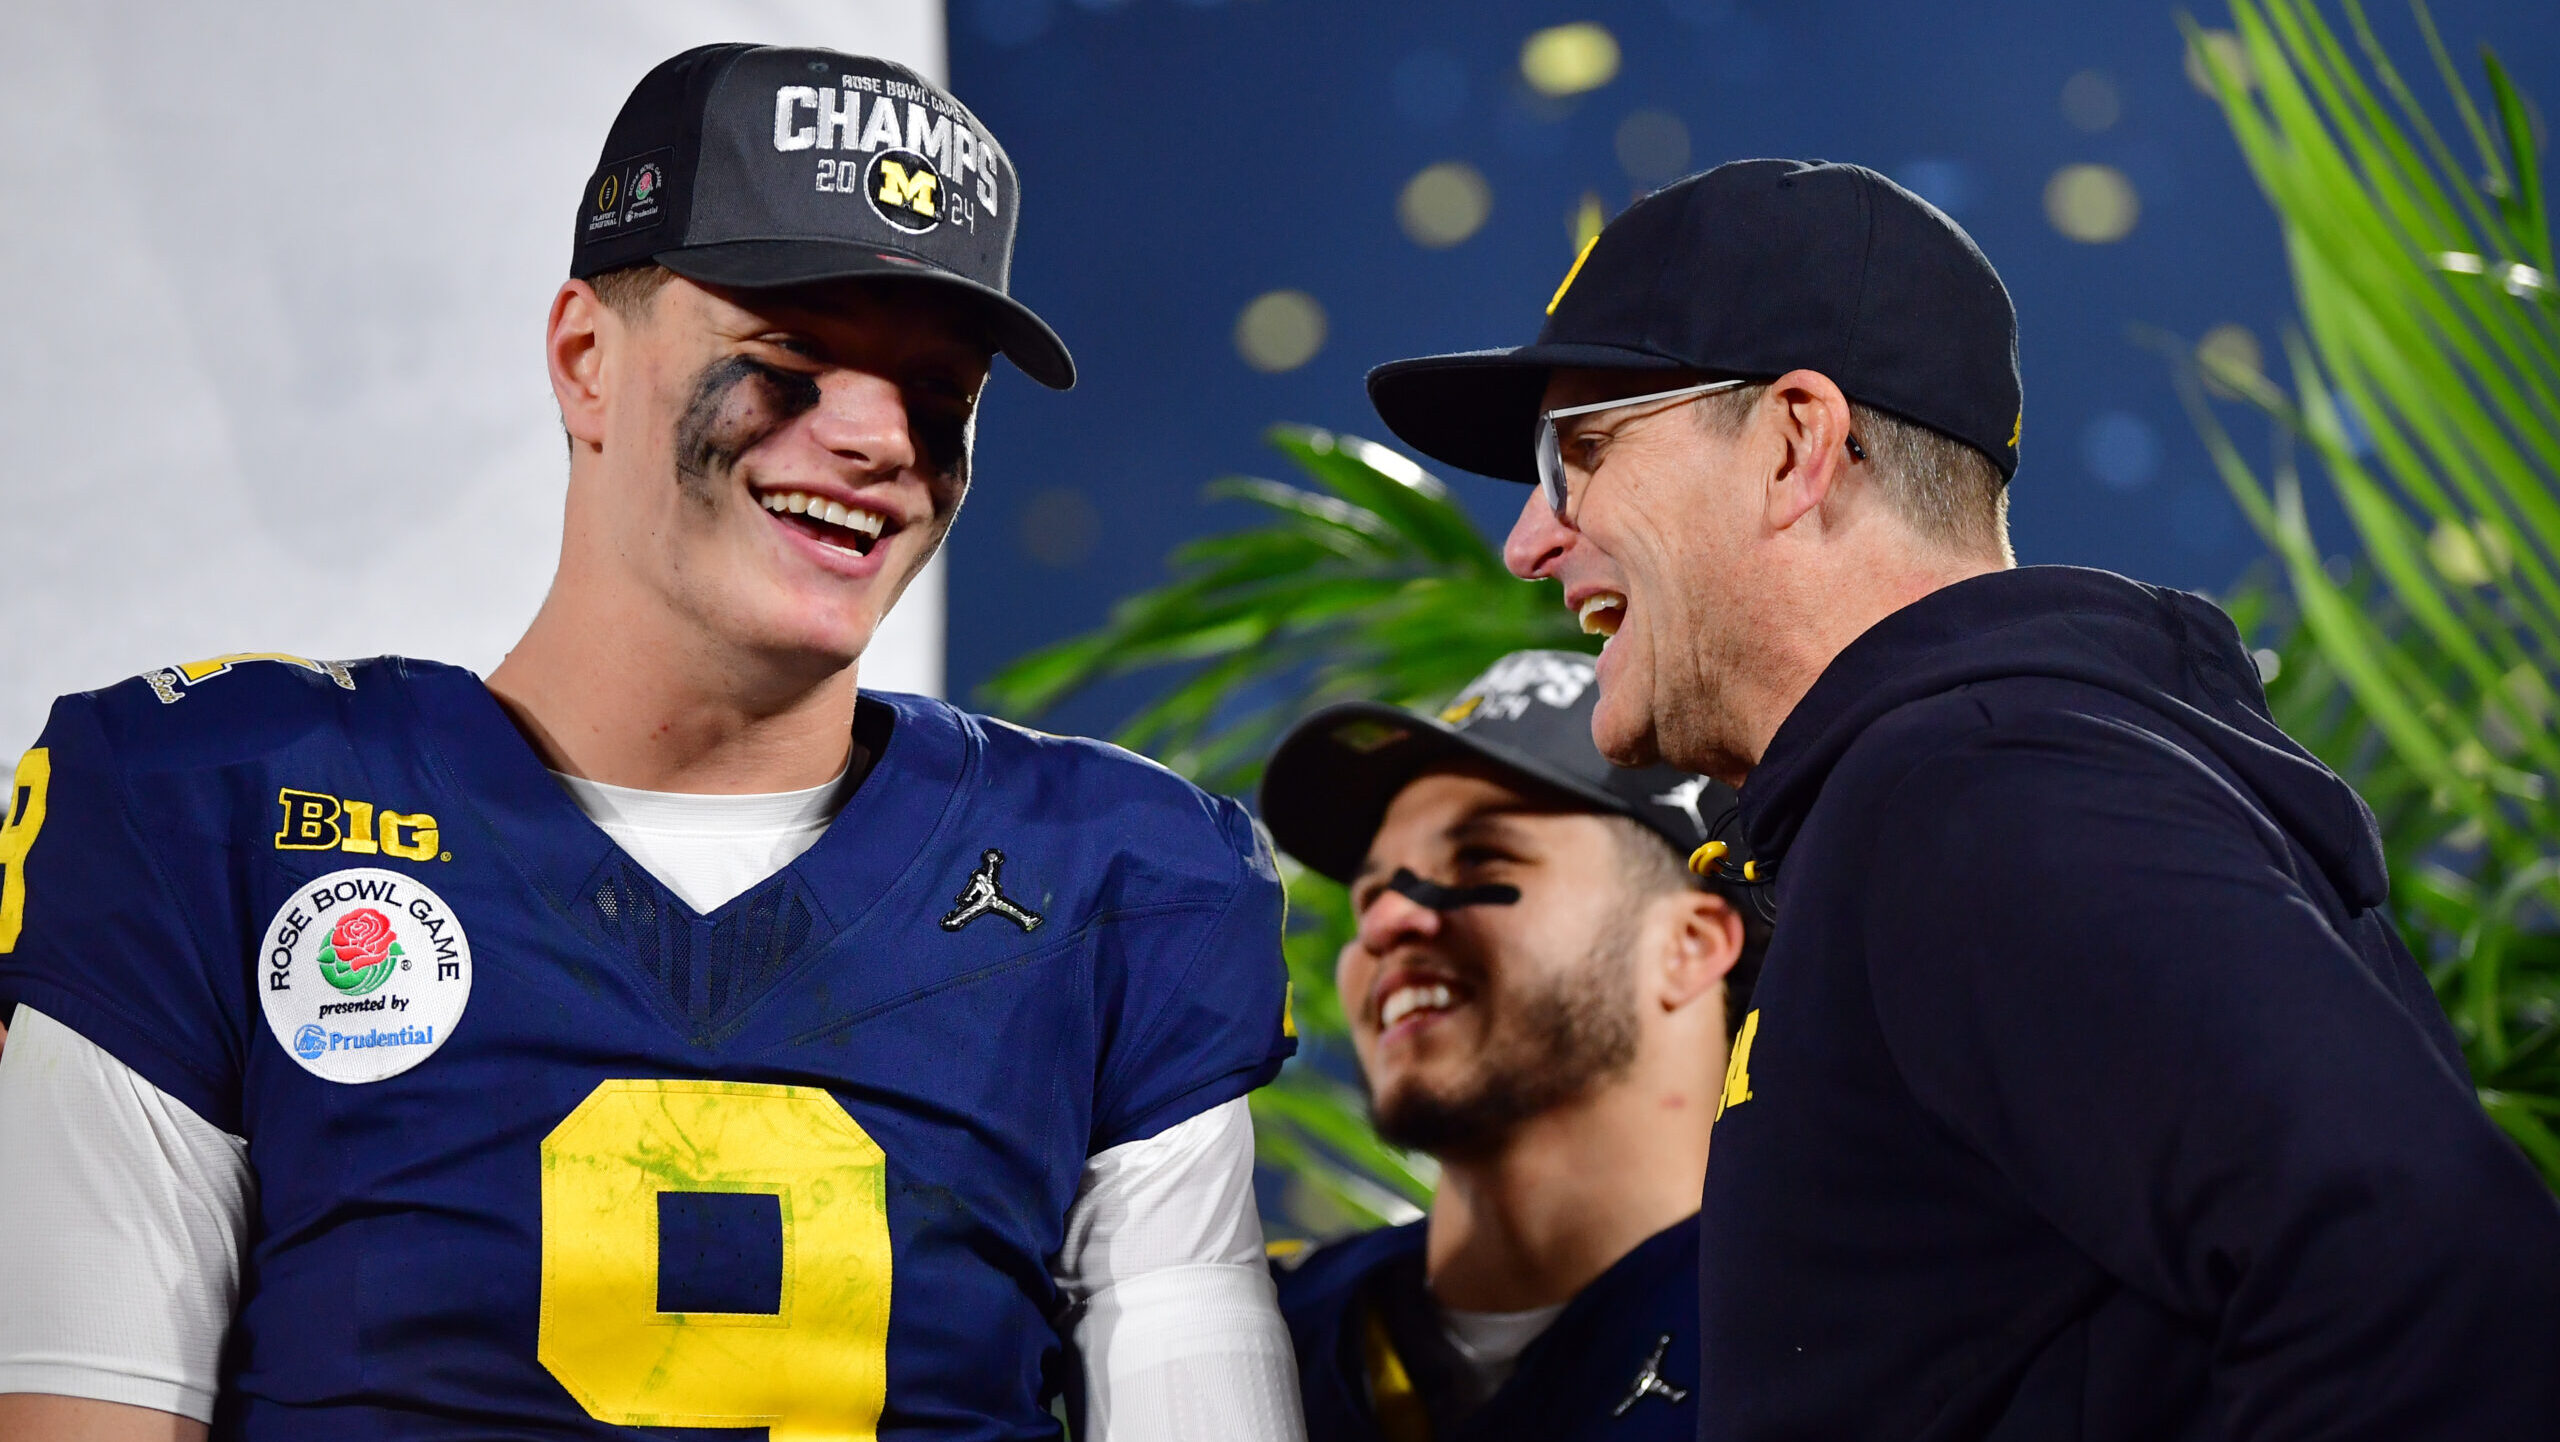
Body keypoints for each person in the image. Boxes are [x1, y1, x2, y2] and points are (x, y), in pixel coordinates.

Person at [0, 45, 1305, 1441]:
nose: (876, 435)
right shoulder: (206, 803)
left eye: (939, 391)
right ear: (584, 361)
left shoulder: (1118, 876)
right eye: (793, 357)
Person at [1357, 158, 2560, 1439]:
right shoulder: (1948, 792)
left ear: (1792, 444)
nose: (1529, 540)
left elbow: (2431, 1261)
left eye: (1581, 451)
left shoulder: (1970, 793)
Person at [1256, 649, 1764, 1442]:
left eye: (1481, 857)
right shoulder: (1244, 1340)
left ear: (1689, 945)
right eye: (1371, 892)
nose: (1386, 923)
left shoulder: (1872, 1339)